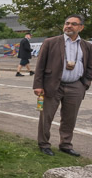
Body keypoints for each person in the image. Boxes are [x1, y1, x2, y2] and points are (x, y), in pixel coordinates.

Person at [33, 15, 92, 157]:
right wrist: (38, 85)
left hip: (76, 86)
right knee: (46, 117)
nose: (69, 26)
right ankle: (44, 144)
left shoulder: (86, 46)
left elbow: (90, 66)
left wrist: (85, 83)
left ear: (81, 27)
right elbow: (40, 65)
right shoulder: (50, 42)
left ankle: (65, 145)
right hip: (52, 85)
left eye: (73, 24)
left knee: (69, 118)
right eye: (67, 23)